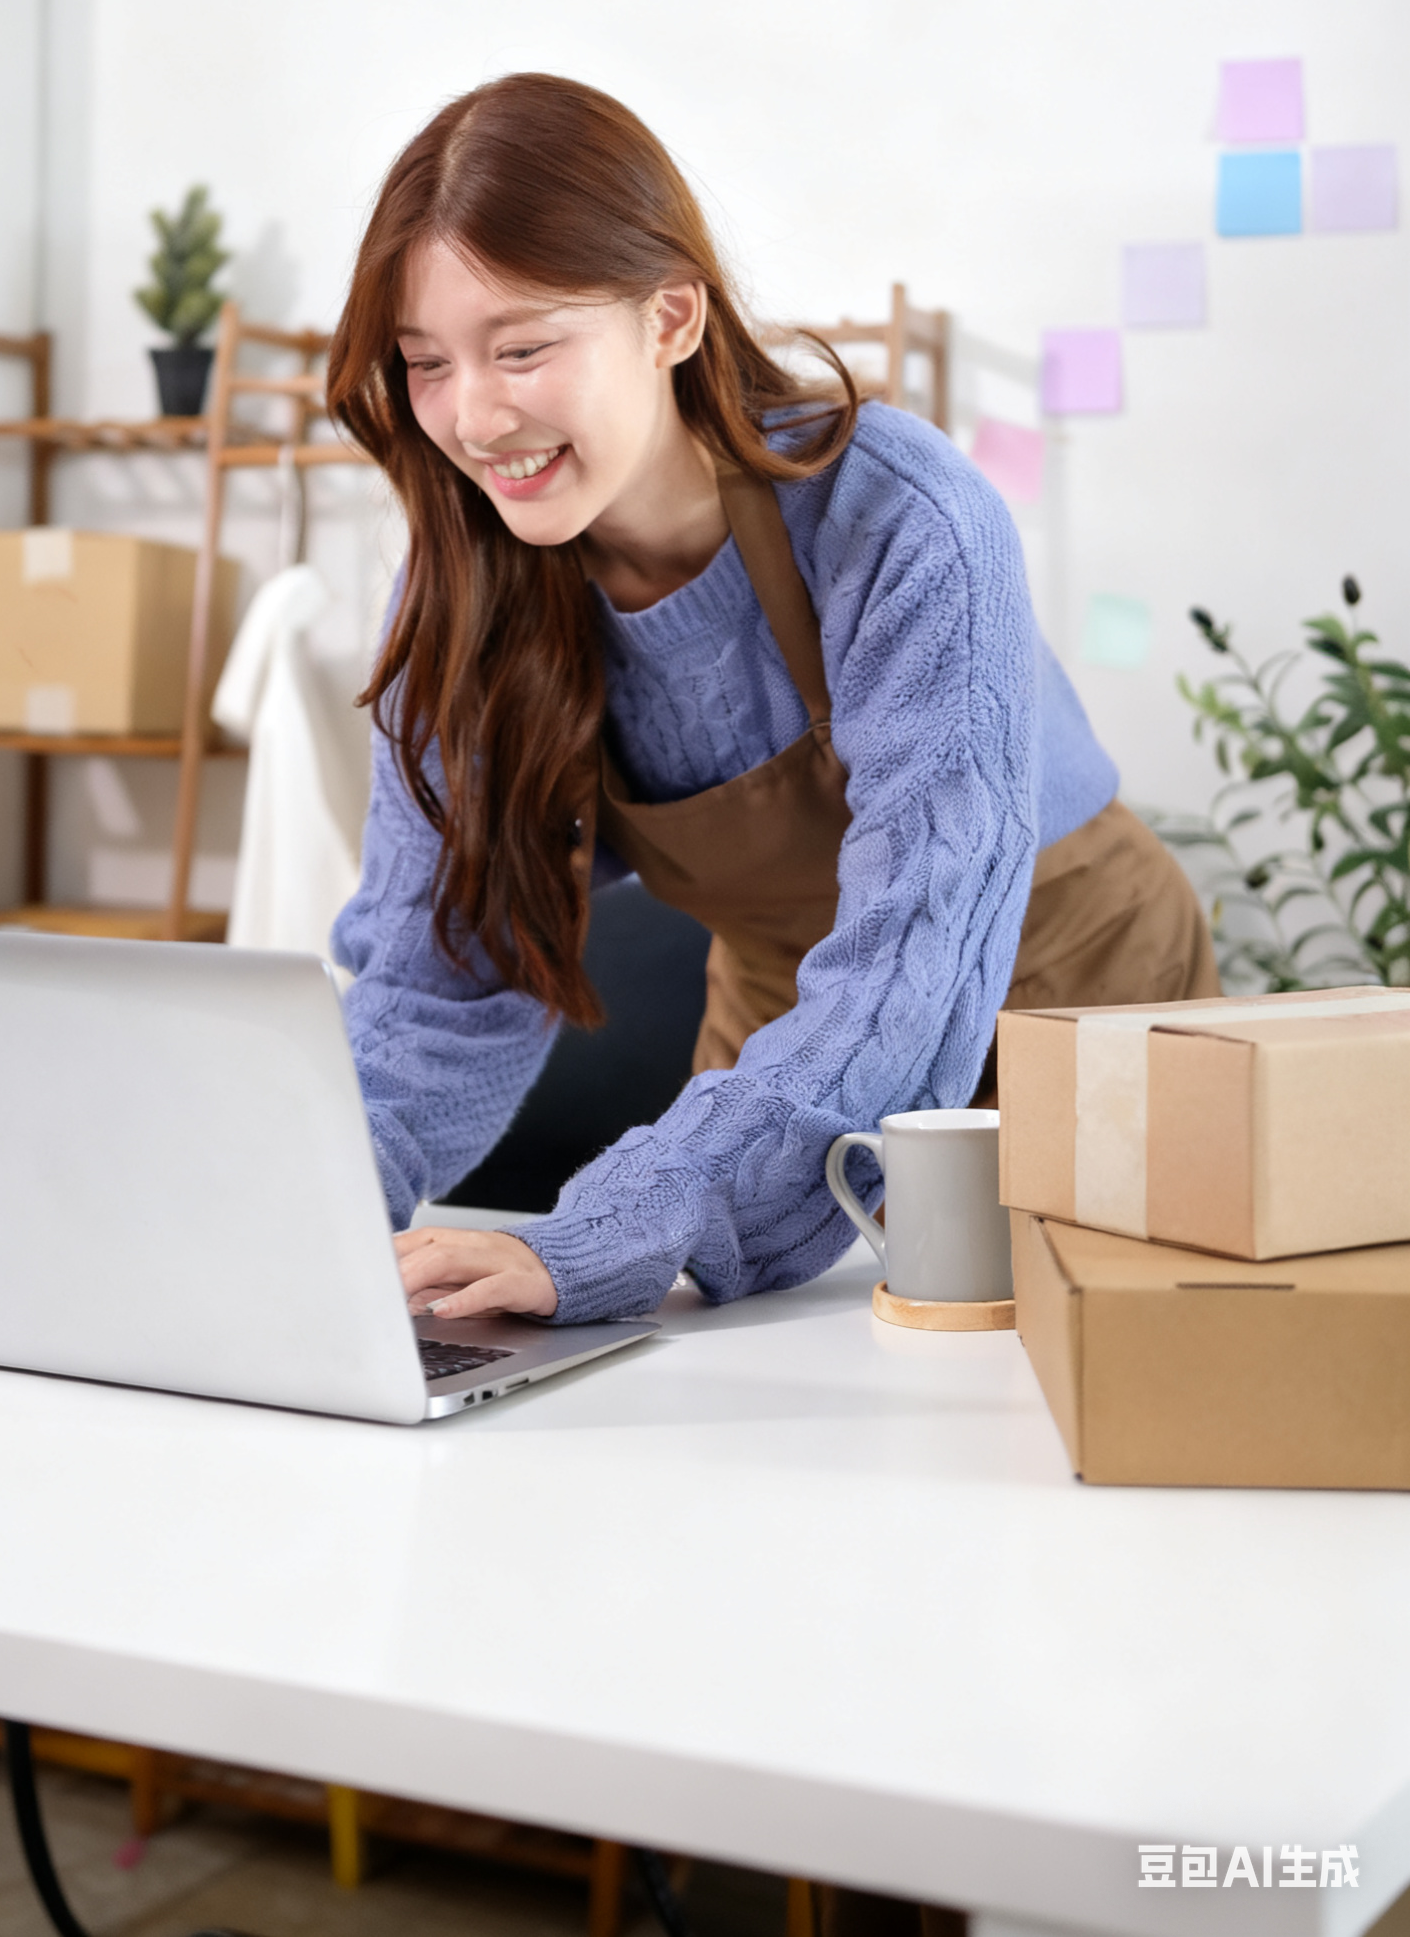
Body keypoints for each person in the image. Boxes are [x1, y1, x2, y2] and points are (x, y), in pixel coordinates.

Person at [325, 74, 1218, 1327]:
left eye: (522, 346)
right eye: (426, 364)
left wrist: (630, 1220)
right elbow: (443, 977)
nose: (474, 416)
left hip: (1071, 986)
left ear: (671, 318)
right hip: (790, 1033)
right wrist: (305, 1212)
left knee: (1093, 1392)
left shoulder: (898, 521)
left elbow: (918, 947)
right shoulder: (469, 585)